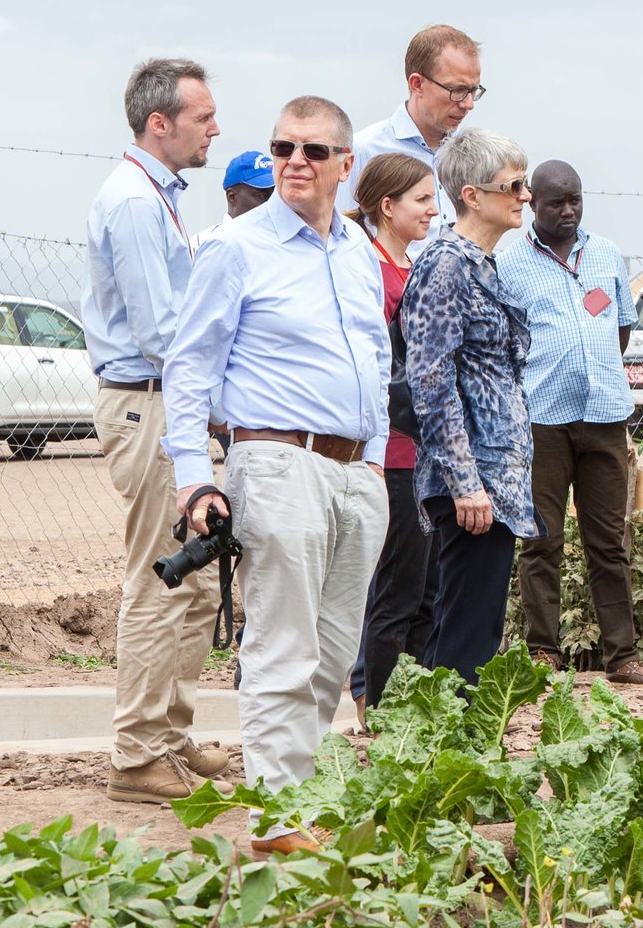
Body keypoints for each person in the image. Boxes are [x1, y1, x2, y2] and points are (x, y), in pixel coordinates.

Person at [163, 95, 391, 855]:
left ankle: (300, 801)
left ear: (344, 165)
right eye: (284, 147)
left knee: (332, 652)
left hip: (356, 472)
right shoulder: (237, 245)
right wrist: (195, 478)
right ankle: (276, 821)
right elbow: (189, 365)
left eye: (314, 151)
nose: (296, 161)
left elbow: (376, 358)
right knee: (282, 649)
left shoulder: (358, 248)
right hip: (279, 458)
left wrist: (378, 459)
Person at [83, 57, 227, 806]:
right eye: (203, 116)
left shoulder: (154, 195)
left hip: (168, 402)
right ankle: (136, 752)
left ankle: (167, 736)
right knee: (157, 578)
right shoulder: (138, 204)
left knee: (194, 578)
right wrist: (224, 396)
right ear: (160, 123)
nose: (215, 128)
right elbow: (161, 330)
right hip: (150, 403)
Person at [499, 159, 643, 684]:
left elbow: (621, 329)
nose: (567, 211)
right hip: (542, 418)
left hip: (605, 414)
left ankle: (622, 656)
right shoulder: (509, 260)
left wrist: (592, 369)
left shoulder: (606, 253)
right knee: (541, 539)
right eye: (555, 203)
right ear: (531, 204)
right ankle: (543, 650)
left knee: (608, 541)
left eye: (575, 201)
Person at [401, 129, 535, 683]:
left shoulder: (482, 264)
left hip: (494, 481)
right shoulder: (446, 265)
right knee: (463, 639)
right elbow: (430, 381)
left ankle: (443, 750)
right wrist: (465, 483)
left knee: (470, 631)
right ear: (473, 195)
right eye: (514, 185)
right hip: (473, 486)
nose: (525, 196)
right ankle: (448, 758)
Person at [348, 152, 440, 706]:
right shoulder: (374, 272)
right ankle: (374, 703)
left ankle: (411, 706)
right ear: (387, 206)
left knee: (429, 592)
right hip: (398, 454)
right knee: (397, 591)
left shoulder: (410, 269)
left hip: (426, 454)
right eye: (422, 199)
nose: (434, 210)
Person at [342, 23, 483, 231]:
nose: (468, 104)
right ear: (417, 84)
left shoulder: (475, 154)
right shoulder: (364, 149)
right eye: (458, 90)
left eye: (473, 90)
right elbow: (341, 233)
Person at [192, 150, 274, 248]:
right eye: (263, 196)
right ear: (232, 196)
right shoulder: (203, 244)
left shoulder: (286, 241)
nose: (272, 203)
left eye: (276, 197)